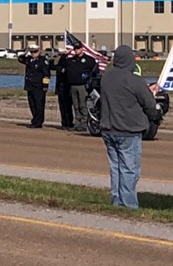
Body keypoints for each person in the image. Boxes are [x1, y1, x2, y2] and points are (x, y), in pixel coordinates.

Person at [99, 45, 159, 209]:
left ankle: (117, 201)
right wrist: (151, 98)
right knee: (129, 170)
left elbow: (124, 94)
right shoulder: (134, 80)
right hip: (128, 130)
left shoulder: (106, 78)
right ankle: (129, 204)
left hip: (108, 129)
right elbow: (149, 104)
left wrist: (145, 91)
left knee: (116, 168)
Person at [66, 45, 99, 132]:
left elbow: (95, 71)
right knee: (76, 106)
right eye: (75, 49)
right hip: (73, 85)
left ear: (82, 49)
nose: (76, 50)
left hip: (82, 85)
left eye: (78, 49)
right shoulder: (72, 60)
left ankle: (84, 124)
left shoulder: (88, 60)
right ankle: (77, 123)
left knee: (82, 105)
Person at [17, 44, 50, 128]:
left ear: (39, 51)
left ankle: (38, 122)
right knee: (32, 104)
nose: (33, 53)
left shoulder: (42, 61)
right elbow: (20, 59)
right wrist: (26, 52)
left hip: (39, 86)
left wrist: (45, 86)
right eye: (31, 52)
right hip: (30, 85)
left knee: (39, 105)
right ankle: (34, 119)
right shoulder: (29, 60)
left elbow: (46, 74)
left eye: (35, 51)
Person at [52, 48, 75, 130]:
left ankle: (69, 123)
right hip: (60, 87)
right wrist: (52, 59)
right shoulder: (60, 62)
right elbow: (53, 67)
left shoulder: (67, 62)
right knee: (62, 107)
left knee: (67, 106)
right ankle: (64, 122)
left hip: (66, 87)